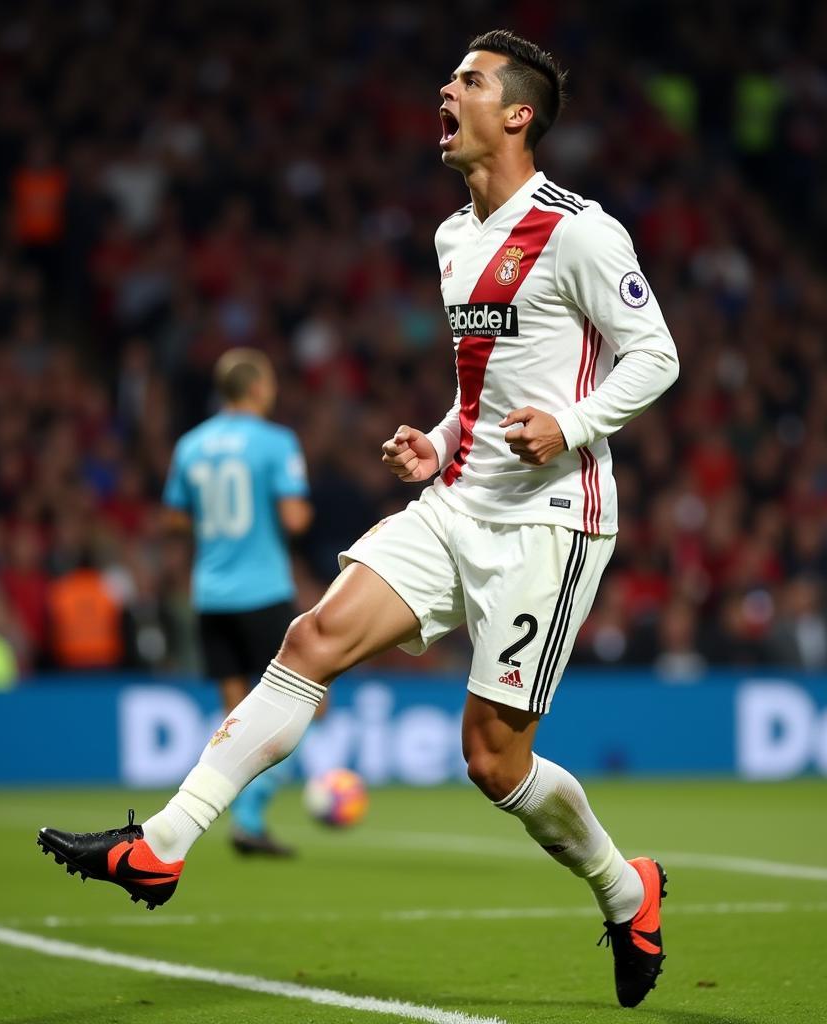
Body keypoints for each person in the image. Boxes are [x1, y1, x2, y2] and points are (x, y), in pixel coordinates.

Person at [38, 29, 679, 1009]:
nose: (445, 89)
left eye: (467, 81)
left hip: (552, 518)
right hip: (458, 499)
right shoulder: (453, 236)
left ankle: (625, 890)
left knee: (491, 761)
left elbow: (655, 354)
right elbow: (490, 382)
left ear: (515, 114)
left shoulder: (578, 230)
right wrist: (435, 433)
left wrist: (573, 423)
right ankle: (160, 847)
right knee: (311, 636)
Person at [162, 347, 313, 855]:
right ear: (255, 388)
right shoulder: (275, 442)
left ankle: (232, 816)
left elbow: (175, 517)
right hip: (264, 590)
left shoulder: (190, 445)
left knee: (237, 716)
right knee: (309, 698)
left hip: (211, 594)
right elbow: (293, 518)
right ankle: (249, 817)